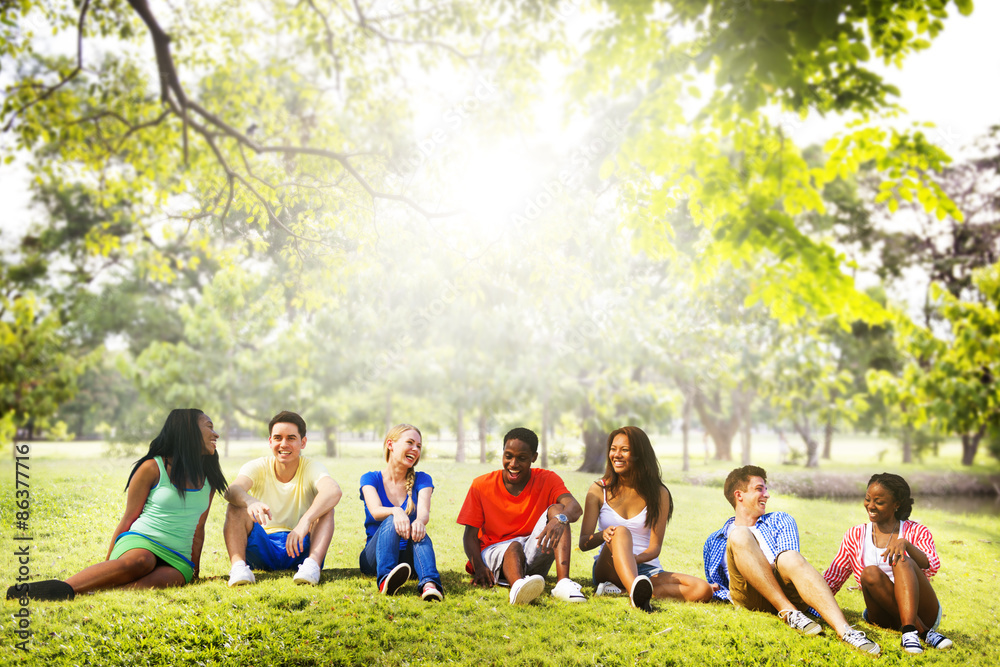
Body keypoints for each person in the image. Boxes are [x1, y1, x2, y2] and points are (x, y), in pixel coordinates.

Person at [6, 409, 227, 601]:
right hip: (141, 542)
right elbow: (129, 518)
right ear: (188, 431)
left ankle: (98, 593)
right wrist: (109, 563)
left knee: (170, 579)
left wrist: (194, 572)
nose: (216, 433)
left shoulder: (209, 479)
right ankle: (61, 588)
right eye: (209, 426)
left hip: (177, 557)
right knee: (143, 561)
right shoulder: (153, 467)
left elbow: (198, 530)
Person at [703, 465, 881, 656]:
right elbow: (719, 585)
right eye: (759, 489)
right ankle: (789, 612)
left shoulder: (780, 520)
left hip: (787, 589)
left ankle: (846, 631)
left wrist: (762, 565)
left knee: (788, 555)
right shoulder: (715, 540)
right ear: (739, 495)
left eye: (765, 489)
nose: (767, 495)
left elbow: (790, 563)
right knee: (740, 535)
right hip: (749, 597)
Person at [579, 426, 715, 610]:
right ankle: (635, 594)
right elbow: (583, 543)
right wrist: (602, 535)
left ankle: (623, 591)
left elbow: (654, 548)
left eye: (624, 450)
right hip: (609, 567)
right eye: (613, 449)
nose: (616, 455)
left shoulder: (659, 493)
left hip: (647, 568)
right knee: (620, 532)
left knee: (702, 589)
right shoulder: (598, 490)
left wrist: (631, 559)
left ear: (640, 454)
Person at [824, 473, 953, 654]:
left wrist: (906, 544)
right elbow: (833, 577)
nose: (870, 506)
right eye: (868, 499)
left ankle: (909, 630)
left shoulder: (916, 531)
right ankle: (922, 632)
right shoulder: (855, 534)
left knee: (901, 559)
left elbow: (931, 565)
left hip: (923, 611)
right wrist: (806, 602)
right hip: (883, 614)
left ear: (896, 504)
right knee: (869, 573)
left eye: (879, 502)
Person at [458, 427, 586, 605]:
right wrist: (479, 567)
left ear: (534, 457)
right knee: (514, 546)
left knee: (558, 510)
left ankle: (563, 583)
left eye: (522, 458)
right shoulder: (481, 485)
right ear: (503, 453)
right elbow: (470, 536)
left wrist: (559, 520)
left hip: (532, 551)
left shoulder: (547, 479)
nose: (513, 464)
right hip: (495, 551)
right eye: (508, 456)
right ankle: (518, 587)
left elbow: (574, 507)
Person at [224, 410, 342, 586]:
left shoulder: (311, 467)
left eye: (291, 438)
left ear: (303, 442)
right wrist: (250, 501)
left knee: (326, 508)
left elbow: (333, 490)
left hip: (300, 547)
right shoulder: (258, 466)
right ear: (270, 441)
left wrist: (305, 521)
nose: (283, 444)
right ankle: (239, 568)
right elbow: (231, 490)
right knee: (235, 506)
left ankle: (312, 567)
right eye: (278, 438)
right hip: (263, 546)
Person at [359, 424, 443, 599]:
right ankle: (385, 580)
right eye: (410, 443)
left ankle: (429, 585)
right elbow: (375, 511)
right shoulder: (370, 478)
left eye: (419, 446)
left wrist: (419, 521)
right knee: (391, 517)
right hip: (374, 558)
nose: (415, 449)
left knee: (419, 530)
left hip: (408, 561)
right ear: (390, 444)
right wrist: (396, 511)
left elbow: (423, 512)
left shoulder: (422, 479)